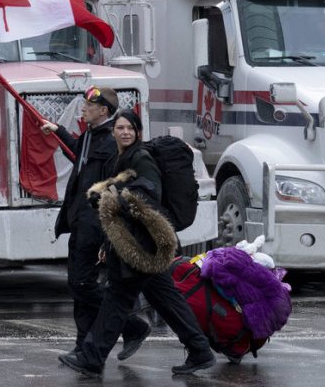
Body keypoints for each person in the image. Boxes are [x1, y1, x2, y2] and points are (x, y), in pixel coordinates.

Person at [58, 108, 216, 377]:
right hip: (137, 244)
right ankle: (200, 350)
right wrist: (106, 242)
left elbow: (150, 192)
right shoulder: (117, 160)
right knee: (166, 299)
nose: (126, 132)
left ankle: (93, 358)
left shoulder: (141, 158)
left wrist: (115, 199)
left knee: (117, 298)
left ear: (137, 132)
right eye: (121, 128)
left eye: (130, 128)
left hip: (142, 244)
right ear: (114, 131)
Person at [41, 86, 152, 362]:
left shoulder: (108, 142)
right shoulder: (90, 136)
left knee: (82, 283)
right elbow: (78, 153)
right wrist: (57, 130)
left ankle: (131, 325)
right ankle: (83, 345)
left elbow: (111, 191)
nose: (83, 109)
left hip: (94, 224)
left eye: (88, 106)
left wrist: (107, 235)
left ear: (103, 110)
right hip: (79, 221)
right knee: (78, 285)